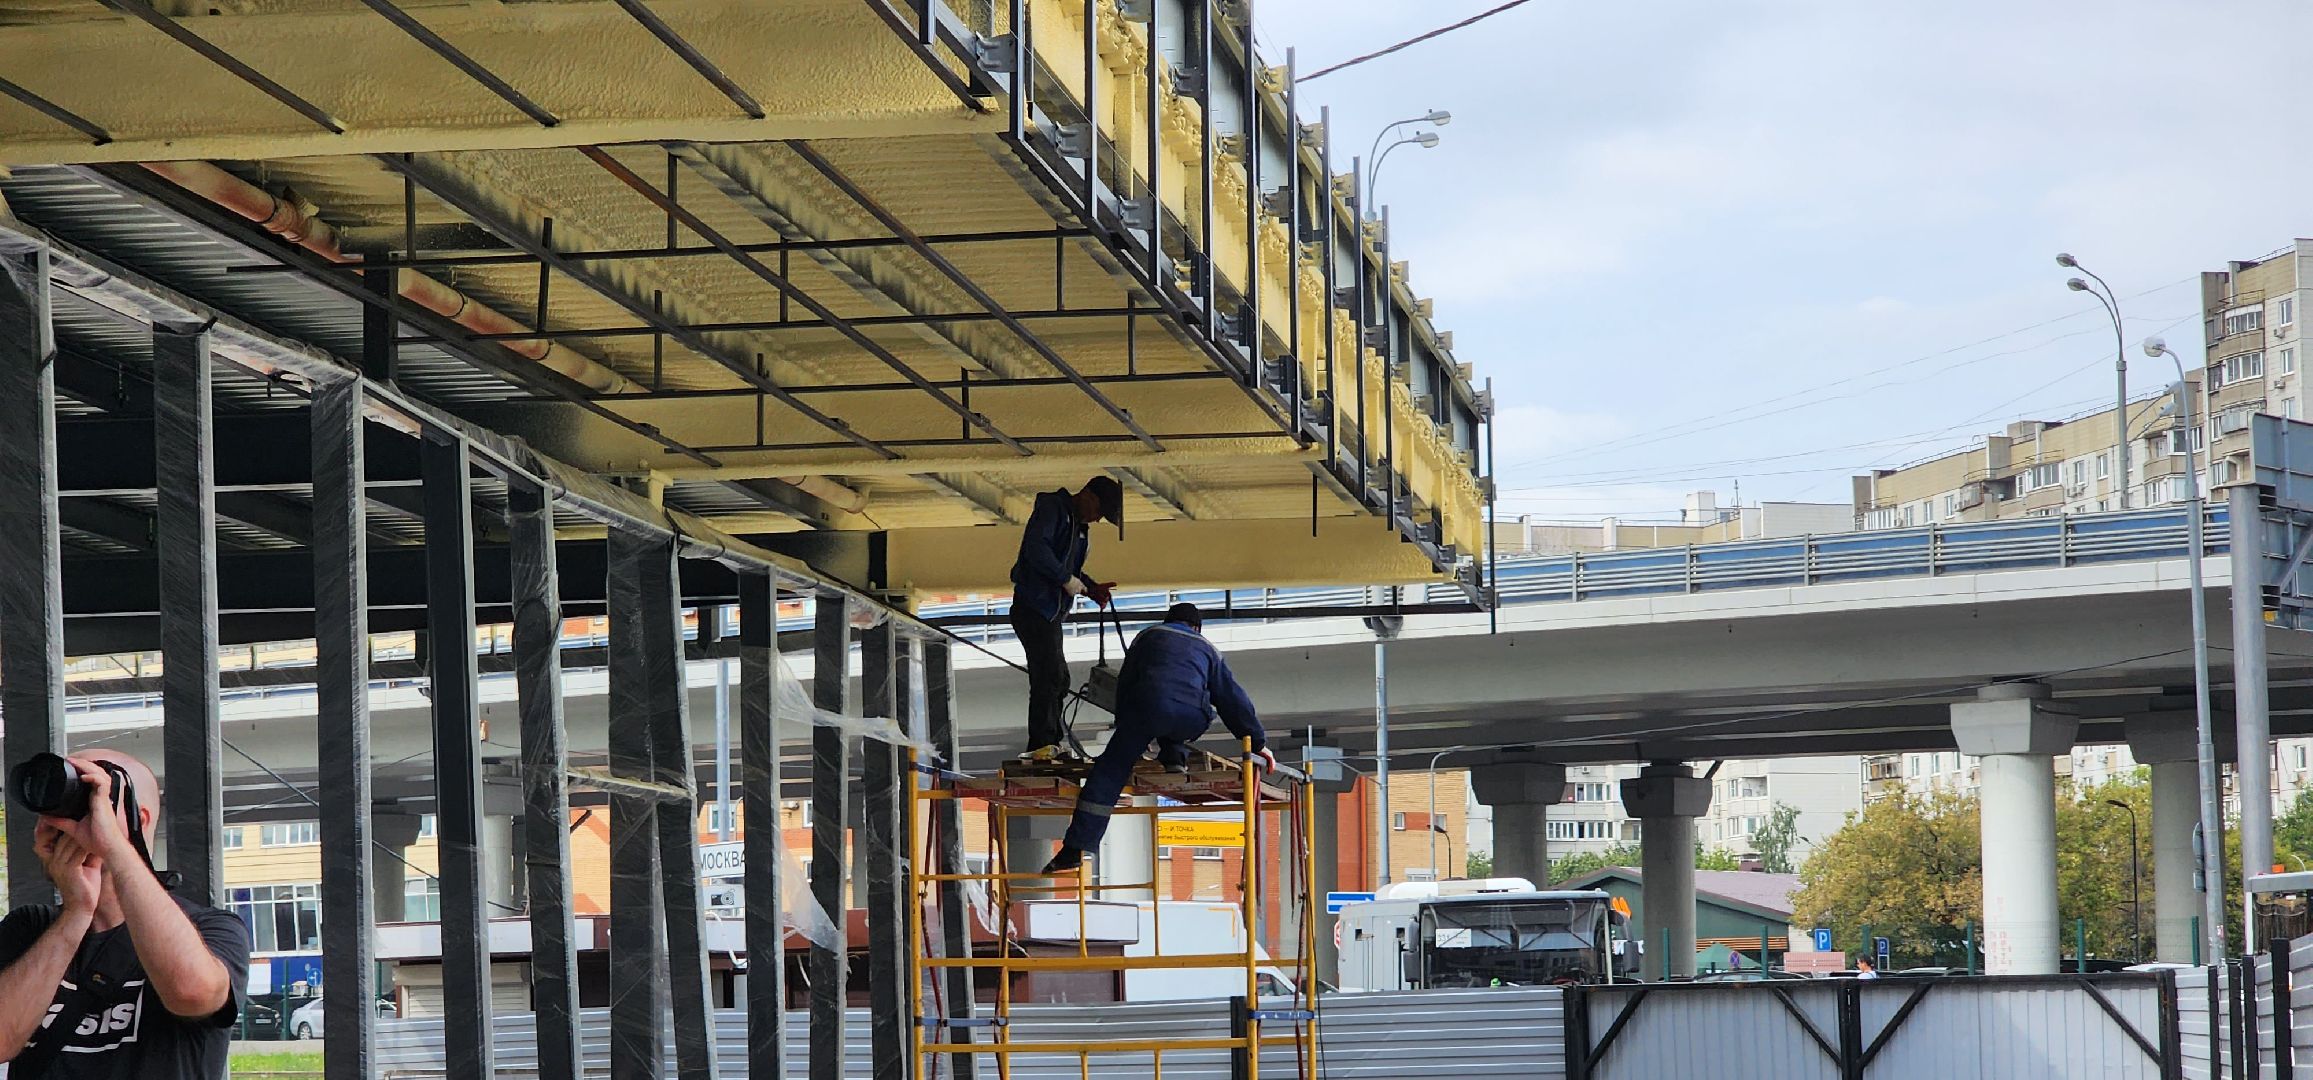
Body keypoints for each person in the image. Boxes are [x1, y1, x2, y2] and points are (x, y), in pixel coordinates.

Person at [0, 751, 250, 1079]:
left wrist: (116, 848)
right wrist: (76, 913)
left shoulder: (209, 928)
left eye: (90, 797)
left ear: (139, 820)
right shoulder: (29, 928)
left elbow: (193, 994)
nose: (69, 819)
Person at [1041, 603, 1275, 874]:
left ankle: (1074, 849)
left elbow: (1127, 684)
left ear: (1168, 620)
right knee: (1198, 708)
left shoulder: (1148, 636)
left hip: (1146, 711)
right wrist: (1258, 743)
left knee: (1110, 772)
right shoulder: (1208, 649)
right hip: (1190, 718)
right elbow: (1232, 699)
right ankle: (1174, 756)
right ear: (1196, 627)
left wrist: (1128, 730)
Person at [1009, 475, 1125, 759]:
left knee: (1059, 678)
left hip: (1050, 612)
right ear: (1087, 494)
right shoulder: (1053, 510)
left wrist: (1089, 587)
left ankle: (1051, 741)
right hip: (1033, 608)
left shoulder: (1078, 528)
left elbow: (1067, 568)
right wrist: (1065, 579)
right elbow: (1037, 550)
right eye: (1099, 512)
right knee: (1048, 676)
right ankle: (1041, 745)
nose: (1097, 519)